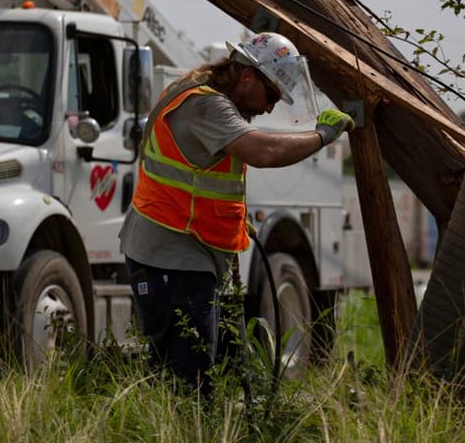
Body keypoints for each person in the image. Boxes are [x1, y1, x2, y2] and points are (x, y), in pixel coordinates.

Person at [118, 31, 353, 395]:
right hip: (171, 254)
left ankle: (193, 423)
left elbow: (202, 176)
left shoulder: (199, 91)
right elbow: (263, 152)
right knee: (191, 379)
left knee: (201, 370)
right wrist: (322, 135)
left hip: (181, 250)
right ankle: (187, 425)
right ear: (247, 76)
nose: (270, 108)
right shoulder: (206, 105)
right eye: (271, 95)